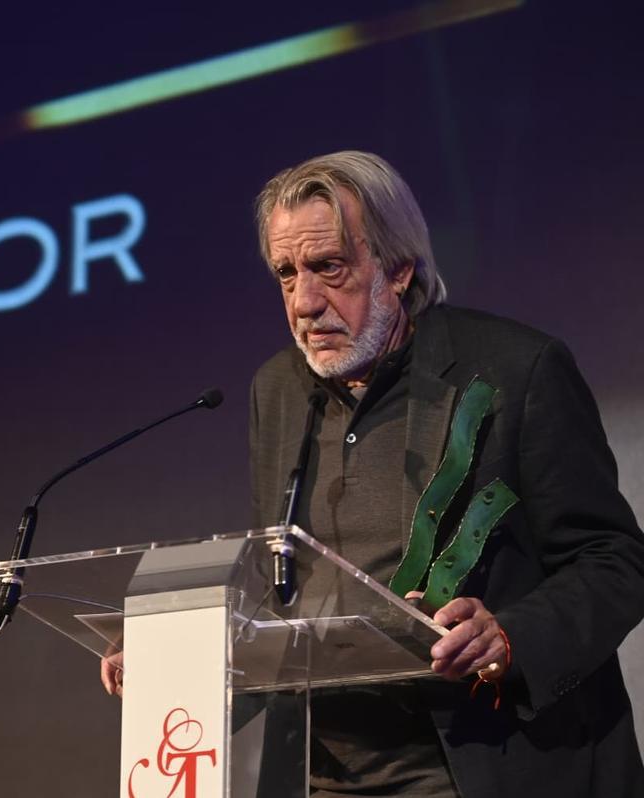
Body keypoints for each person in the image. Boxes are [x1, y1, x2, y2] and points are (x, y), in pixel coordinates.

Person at [102, 151, 644, 796]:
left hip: (479, 764)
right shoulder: (276, 389)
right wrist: (180, 666)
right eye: (285, 273)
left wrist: (509, 637)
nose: (305, 301)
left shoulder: (515, 370)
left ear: (397, 268)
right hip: (324, 772)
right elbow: (286, 591)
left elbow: (613, 560)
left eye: (329, 267)